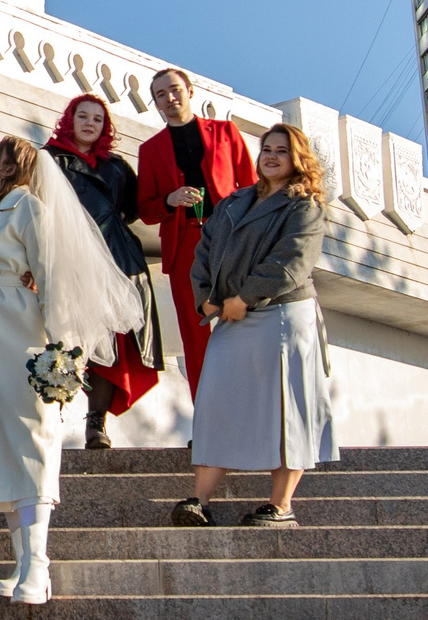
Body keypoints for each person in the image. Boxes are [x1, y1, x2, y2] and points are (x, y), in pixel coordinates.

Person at [0, 134, 145, 605]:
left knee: (32, 440)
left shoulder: (29, 208)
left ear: (9, 166)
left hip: (21, 335)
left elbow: (55, 276)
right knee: (2, 447)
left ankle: (39, 565)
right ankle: (21, 561)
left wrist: (59, 353)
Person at [173, 122, 336, 529]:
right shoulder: (234, 201)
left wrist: (244, 298)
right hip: (229, 315)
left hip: (281, 315)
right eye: (267, 149)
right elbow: (204, 249)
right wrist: (207, 297)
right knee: (217, 404)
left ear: (297, 158)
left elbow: (292, 260)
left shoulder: (305, 205)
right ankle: (198, 499)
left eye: (282, 150)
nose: (272, 156)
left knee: (285, 409)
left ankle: (281, 505)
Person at [44, 94, 162, 447]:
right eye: (83, 116)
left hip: (117, 258)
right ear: (69, 119)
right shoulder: (48, 160)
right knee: (66, 337)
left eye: (98, 119)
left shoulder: (117, 166)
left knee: (114, 341)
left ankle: (97, 422)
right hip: (67, 258)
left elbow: (134, 208)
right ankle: (50, 414)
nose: (90, 123)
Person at [135, 68, 259, 396]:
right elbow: (146, 210)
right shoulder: (150, 150)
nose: (170, 98)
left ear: (190, 91)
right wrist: (169, 199)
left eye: (174, 89)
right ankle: (207, 420)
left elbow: (251, 187)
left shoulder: (225, 132)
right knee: (196, 333)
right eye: (161, 94)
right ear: (156, 104)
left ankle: (250, 411)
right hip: (185, 246)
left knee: (245, 322)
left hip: (231, 240)